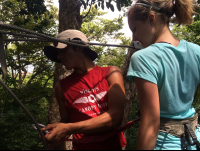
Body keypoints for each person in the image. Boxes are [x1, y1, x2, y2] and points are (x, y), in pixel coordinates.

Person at [127, 0, 200, 150]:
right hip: (195, 139)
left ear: (151, 19)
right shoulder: (196, 51)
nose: (134, 39)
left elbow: (150, 123)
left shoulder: (143, 58)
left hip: (164, 144)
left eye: (134, 29)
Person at [42, 29, 127, 150]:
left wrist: (68, 128)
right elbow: (66, 122)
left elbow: (115, 117)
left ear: (79, 47)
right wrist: (55, 132)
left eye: (62, 50)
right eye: (58, 52)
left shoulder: (111, 73)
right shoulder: (61, 87)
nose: (59, 56)